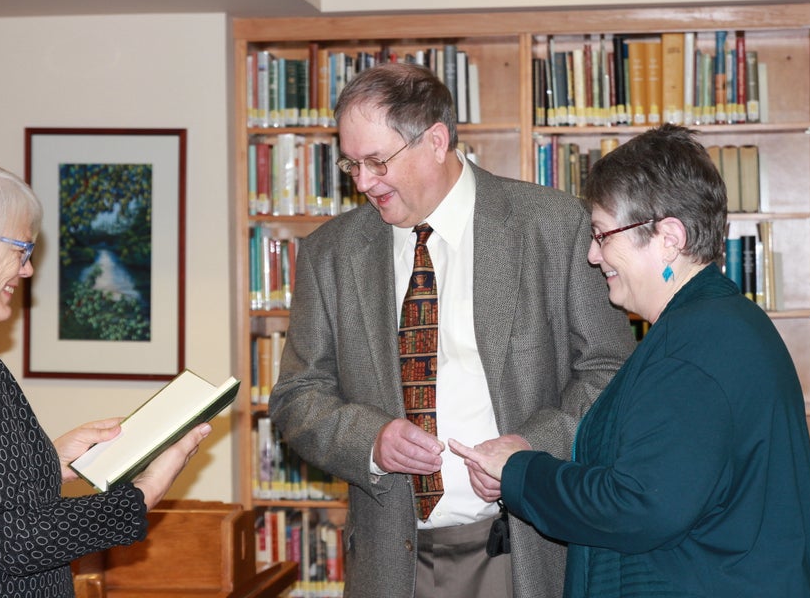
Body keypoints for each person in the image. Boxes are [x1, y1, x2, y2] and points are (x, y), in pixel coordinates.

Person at [267, 62, 635, 598]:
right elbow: (297, 397)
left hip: (524, 548)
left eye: (377, 161)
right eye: (352, 164)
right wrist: (370, 440)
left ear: (436, 141)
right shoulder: (330, 253)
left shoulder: (552, 226)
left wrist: (531, 451)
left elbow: (610, 372)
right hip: (390, 564)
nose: (364, 182)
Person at [450, 124, 810, 597]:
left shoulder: (694, 350)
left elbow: (637, 506)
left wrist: (520, 470)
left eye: (602, 234)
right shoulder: (713, 326)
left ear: (669, 237)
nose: (593, 256)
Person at [0, 151, 211, 598]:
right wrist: (145, 491)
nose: (27, 269)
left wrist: (44, 462)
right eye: (21, 249)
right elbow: (23, 541)